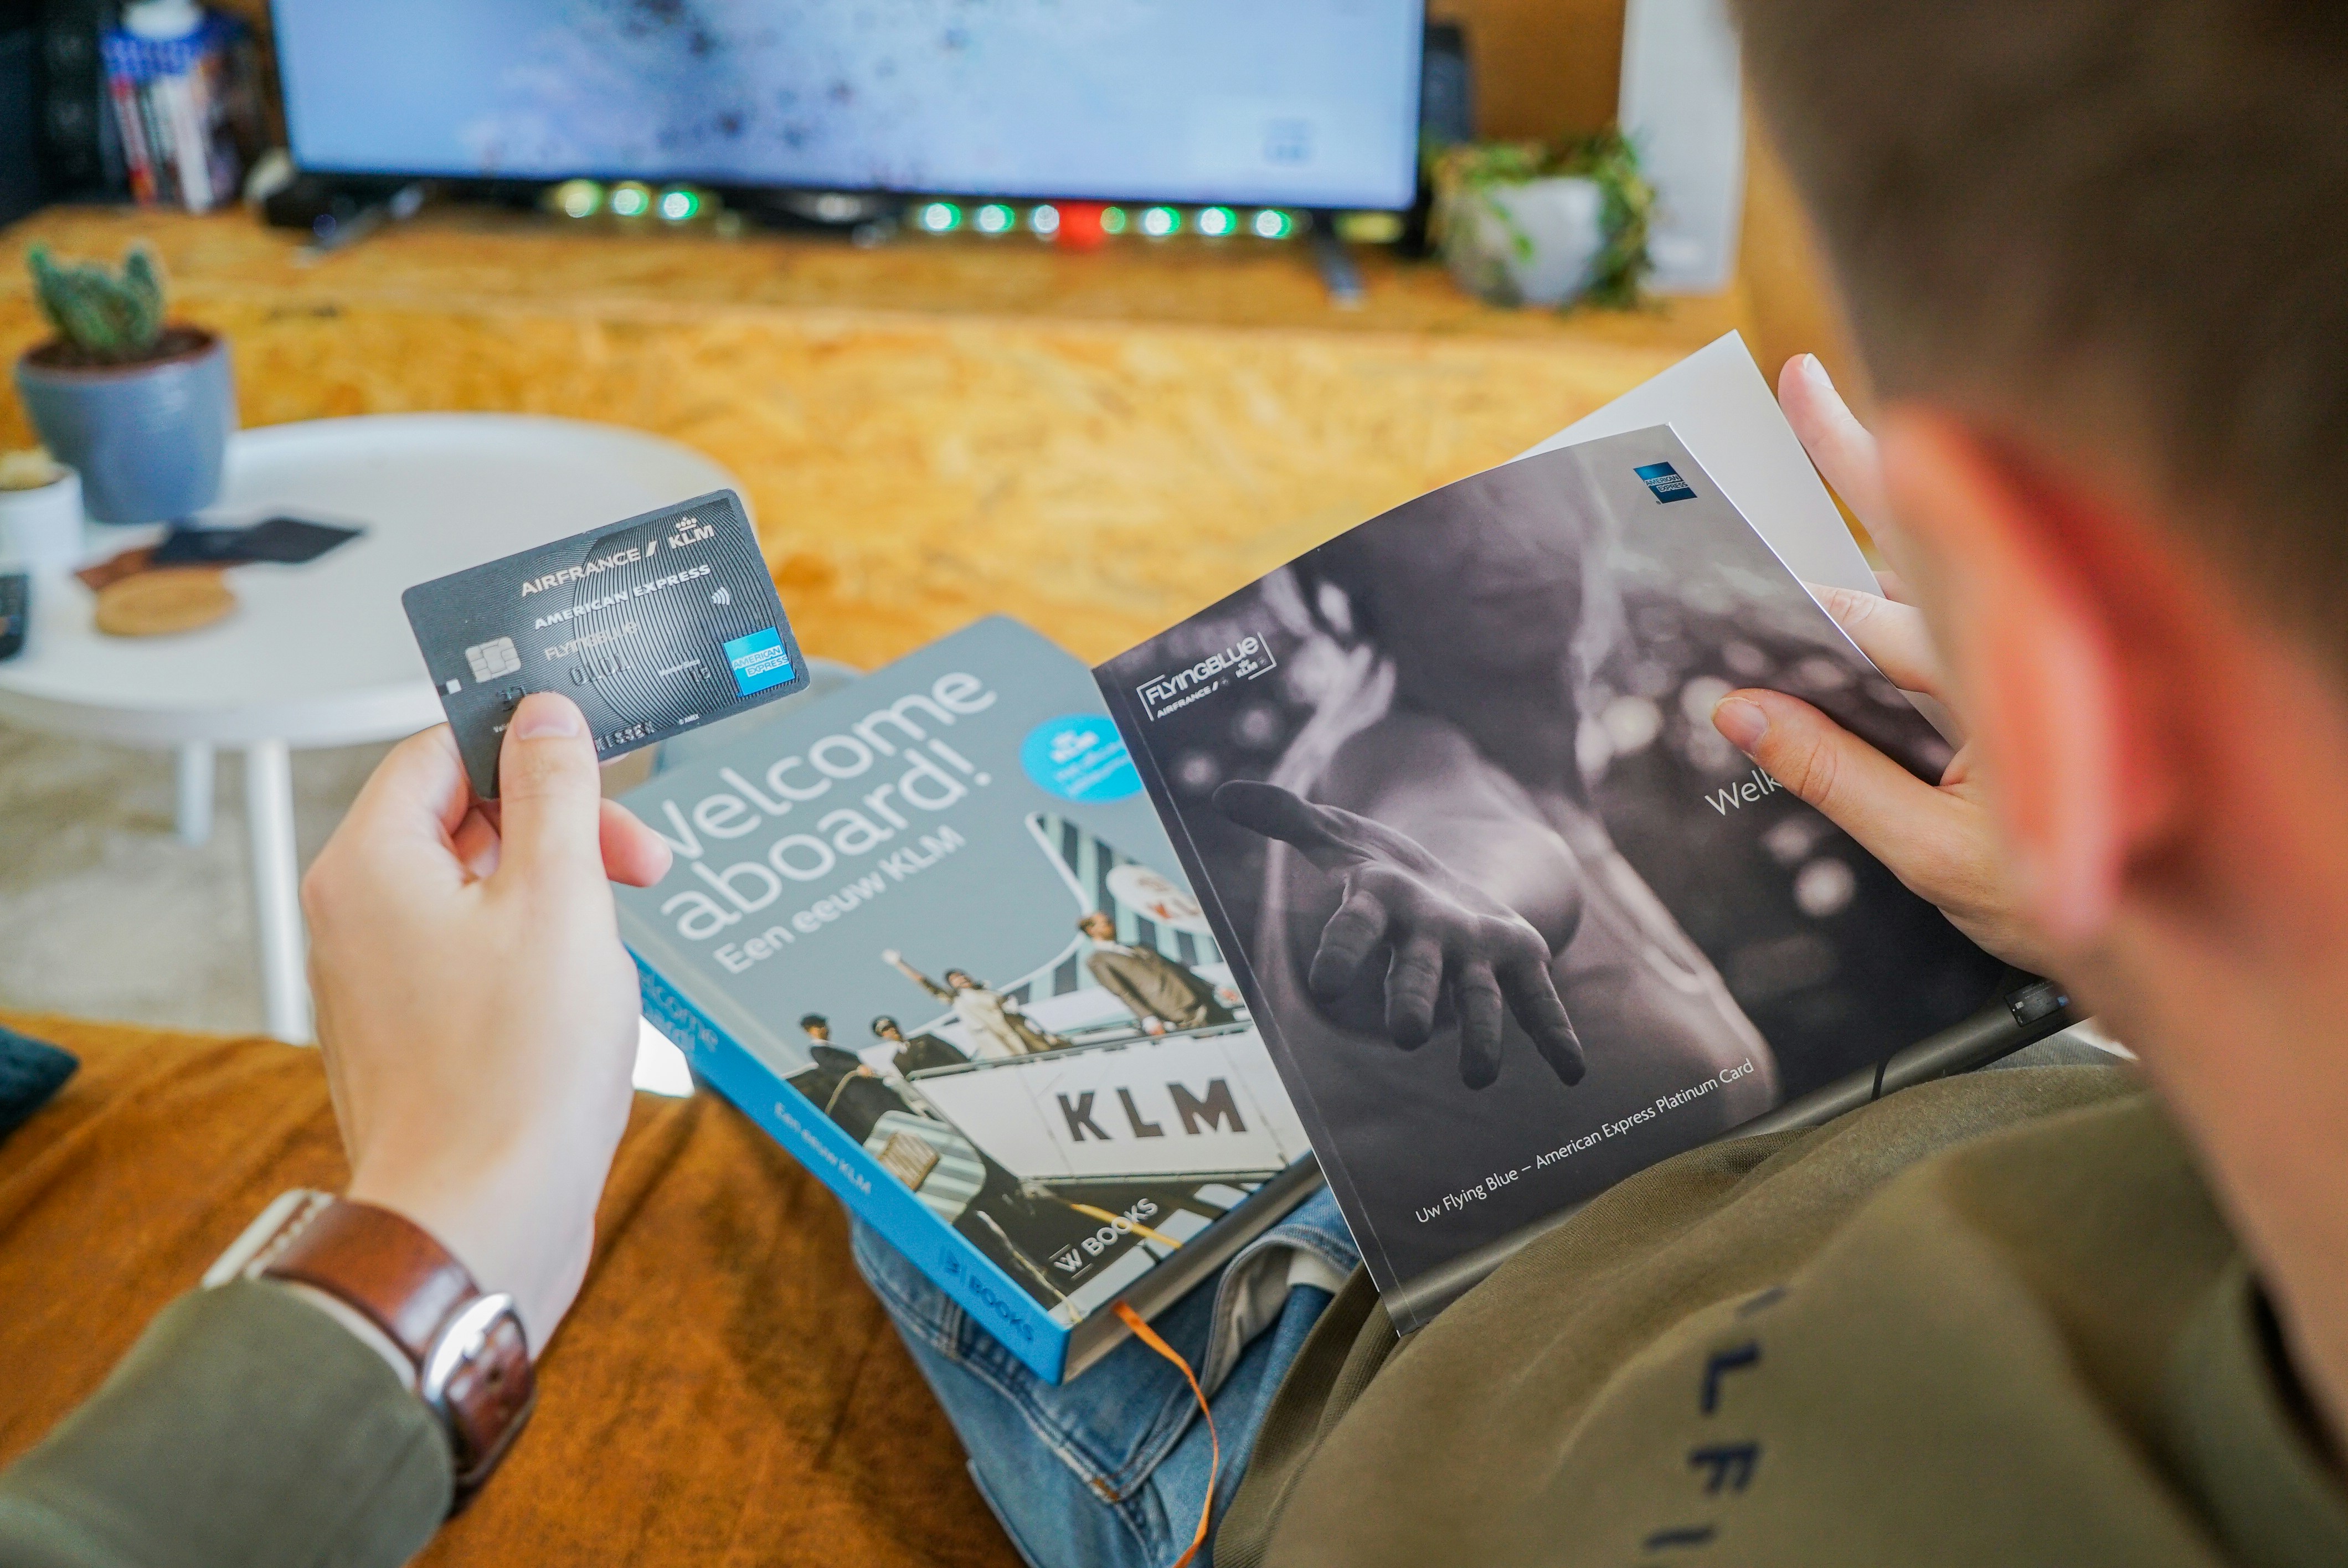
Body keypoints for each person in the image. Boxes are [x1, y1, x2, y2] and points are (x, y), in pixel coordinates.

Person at [9, 2, 2348, 1561]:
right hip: (1815, 1062)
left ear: (2075, 652)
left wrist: (447, 1202)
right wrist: (2124, 909)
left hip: (1270, 1326)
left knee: (826, 868)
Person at [879, 950, 1064, 1058]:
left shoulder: (989, 993)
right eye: (955, 979)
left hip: (1029, 1041)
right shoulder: (957, 999)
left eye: (962, 975)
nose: (961, 979)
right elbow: (925, 982)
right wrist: (900, 964)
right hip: (1005, 1049)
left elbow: (1022, 1018)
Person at [1078, 911, 1235, 1034]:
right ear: (1091, 930)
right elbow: (1123, 992)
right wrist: (1148, 1019)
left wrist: (1216, 988)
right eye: (1106, 923)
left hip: (1205, 1000)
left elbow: (1179, 969)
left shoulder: (1139, 947)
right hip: (1180, 1012)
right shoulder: (1098, 960)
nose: (1113, 925)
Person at [872, 1014, 967, 1077]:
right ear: (882, 1036)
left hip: (958, 1075)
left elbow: (953, 1053)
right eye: (887, 1030)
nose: (893, 1030)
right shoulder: (898, 1059)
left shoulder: (926, 1039)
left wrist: (969, 1069)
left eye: (893, 1026)